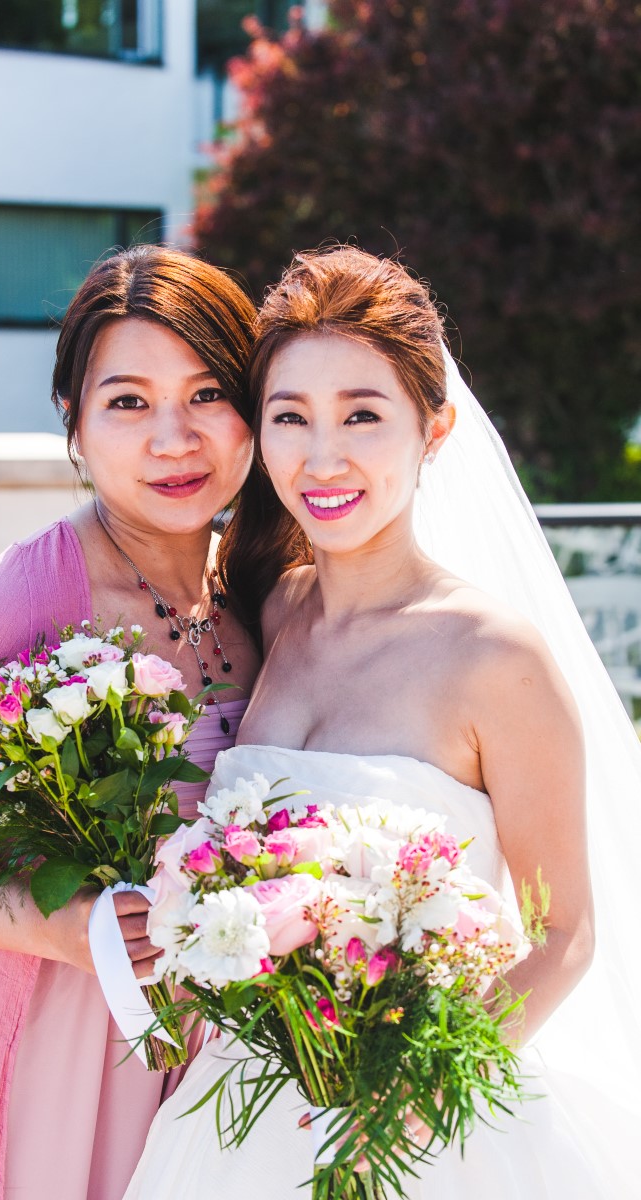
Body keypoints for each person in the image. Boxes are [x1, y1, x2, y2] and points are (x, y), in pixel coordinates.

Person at [124, 246, 641, 1198]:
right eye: (290, 417)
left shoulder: (493, 656)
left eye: (362, 415)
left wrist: (412, 1092)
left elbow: (563, 931)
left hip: (421, 1128)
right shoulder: (269, 610)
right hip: (242, 1111)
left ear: (433, 429)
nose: (322, 458)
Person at [0, 245, 261, 1200]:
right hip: (35, 1035)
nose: (174, 439)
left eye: (207, 394)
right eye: (128, 402)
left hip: (208, 1047)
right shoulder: (20, 603)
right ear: (73, 419)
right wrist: (74, 930)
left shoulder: (263, 586)